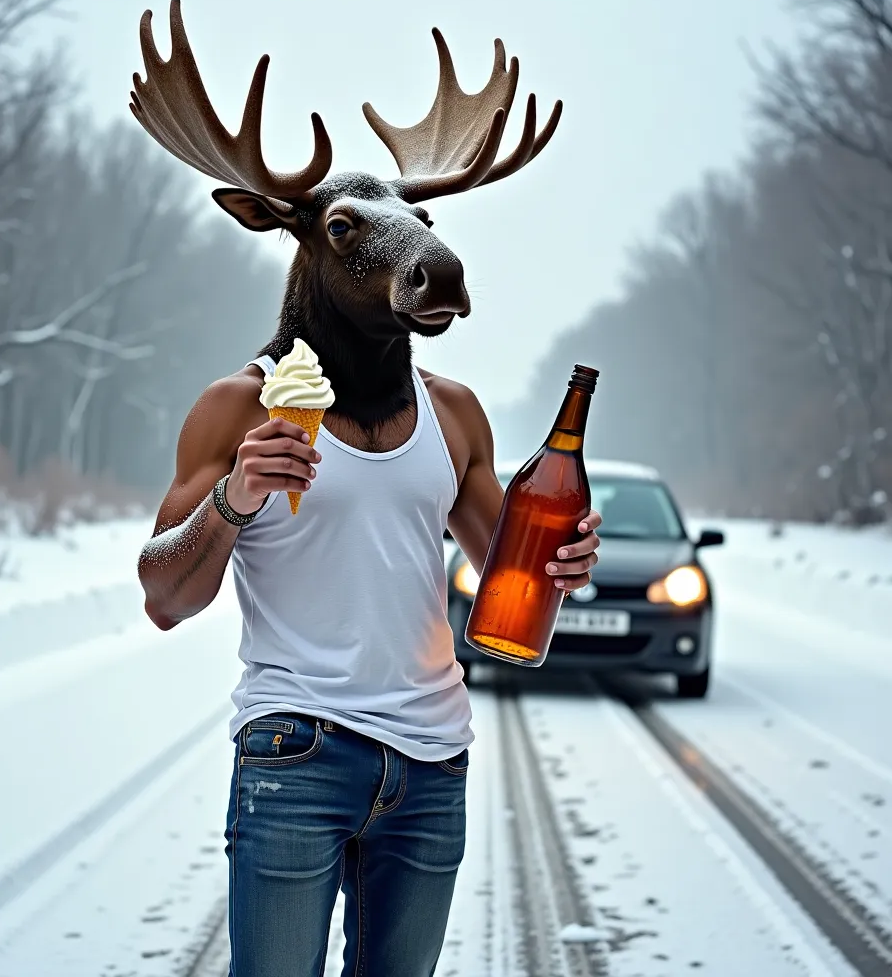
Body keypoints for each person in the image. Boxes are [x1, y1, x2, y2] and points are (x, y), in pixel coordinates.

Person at [137, 348, 602, 975]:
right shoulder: (240, 405)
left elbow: (519, 569)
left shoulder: (452, 411)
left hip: (431, 764)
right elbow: (164, 598)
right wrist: (234, 495)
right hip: (296, 750)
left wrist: (562, 564)